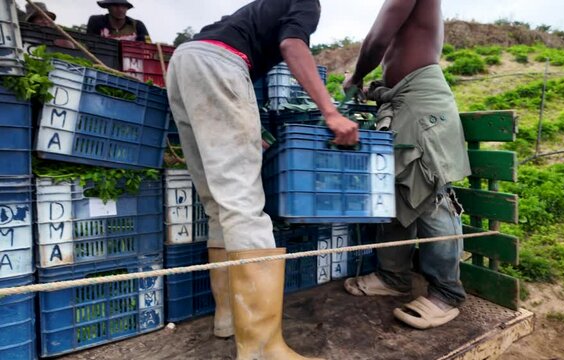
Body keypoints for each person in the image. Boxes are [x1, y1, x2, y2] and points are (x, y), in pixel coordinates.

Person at [166, 0, 358, 359]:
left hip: (185, 62)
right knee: (245, 207)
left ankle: (228, 319)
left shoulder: (263, 7)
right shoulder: (306, 2)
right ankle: (262, 348)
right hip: (221, 63)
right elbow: (292, 45)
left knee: (220, 204)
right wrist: (330, 111)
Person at [342, 0, 472, 330]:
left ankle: (447, 292)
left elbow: (377, 39)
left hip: (422, 101)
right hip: (401, 101)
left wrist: (356, 77)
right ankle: (393, 277)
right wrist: (378, 90)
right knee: (395, 191)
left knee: (431, 192)